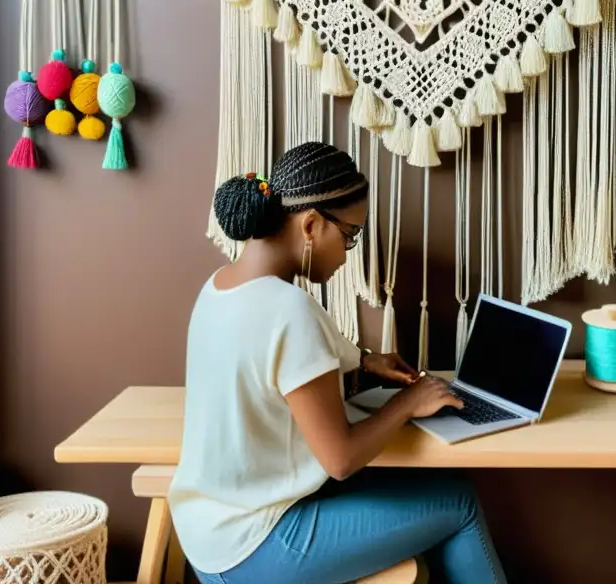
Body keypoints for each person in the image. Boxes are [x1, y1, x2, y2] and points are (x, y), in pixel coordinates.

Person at [168, 141, 507, 584]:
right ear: (310, 225)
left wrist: (364, 365)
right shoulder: (288, 311)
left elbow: (274, 383)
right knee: (457, 503)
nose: (347, 255)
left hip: (208, 532)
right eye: (349, 236)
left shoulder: (218, 287)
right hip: (255, 545)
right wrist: (408, 403)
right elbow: (341, 459)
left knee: (434, 504)